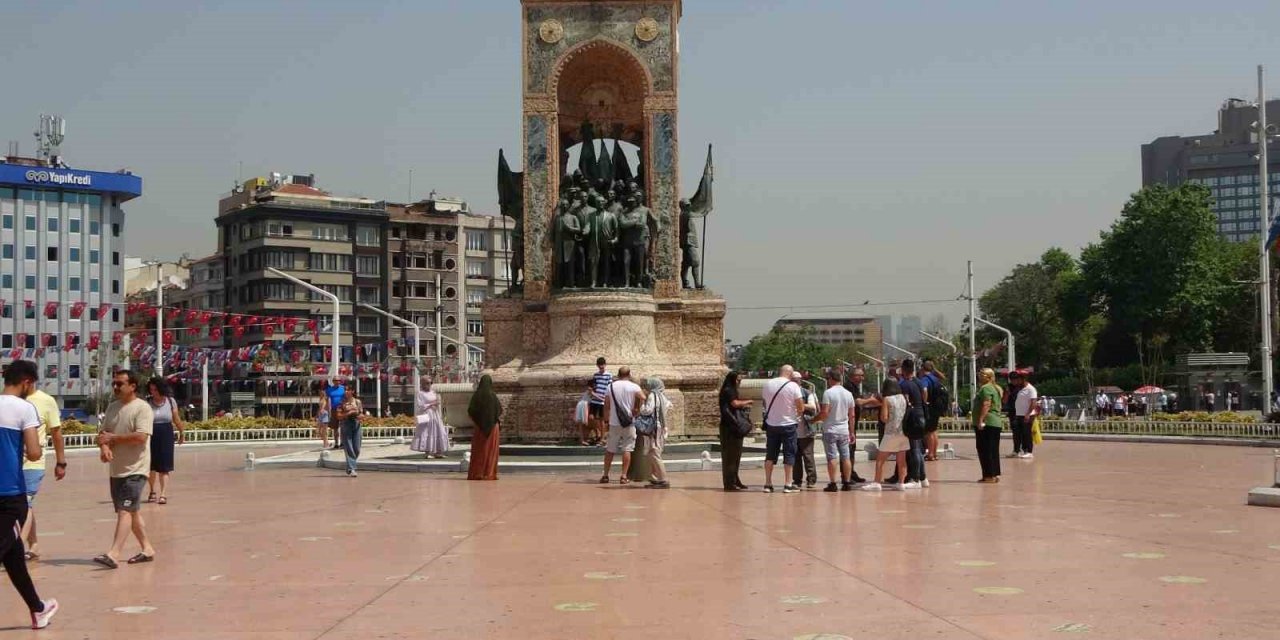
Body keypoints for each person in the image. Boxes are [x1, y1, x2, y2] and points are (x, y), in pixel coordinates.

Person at [0, 361, 59, 628]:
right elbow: (34, 453)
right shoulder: (25, 408)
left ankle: (38, 609)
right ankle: (38, 609)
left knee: (14, 557)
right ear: (26, 382)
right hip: (10, 496)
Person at [93, 369, 157, 569]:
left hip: (136, 469)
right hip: (117, 469)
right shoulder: (112, 407)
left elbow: (141, 437)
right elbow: (103, 434)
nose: (116, 387)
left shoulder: (142, 408)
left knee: (125, 510)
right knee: (131, 512)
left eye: (120, 383)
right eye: (114, 383)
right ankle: (147, 549)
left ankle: (114, 554)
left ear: (132, 386)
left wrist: (113, 438)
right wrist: (104, 447)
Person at [20, 386, 65, 562]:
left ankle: (14, 549)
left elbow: (56, 433)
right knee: (24, 505)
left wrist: (61, 462)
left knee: (25, 503)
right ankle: (34, 545)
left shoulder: (47, 401)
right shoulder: (9, 398)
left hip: (33, 463)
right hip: (10, 462)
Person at [761, 364, 805, 494]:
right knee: (789, 454)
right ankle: (788, 484)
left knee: (770, 454)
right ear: (790, 373)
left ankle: (768, 483)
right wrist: (797, 414)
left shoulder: (768, 384)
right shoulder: (793, 386)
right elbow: (801, 407)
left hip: (772, 424)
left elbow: (765, 403)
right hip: (788, 424)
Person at [862, 378, 908, 491]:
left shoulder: (887, 399)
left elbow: (884, 418)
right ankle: (901, 483)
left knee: (880, 459)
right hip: (903, 432)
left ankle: (877, 482)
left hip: (890, 433)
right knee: (901, 460)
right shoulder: (903, 397)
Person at [600, 367, 644, 485]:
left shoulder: (610, 387)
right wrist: (637, 408)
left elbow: (606, 405)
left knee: (610, 449)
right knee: (627, 449)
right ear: (629, 374)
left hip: (614, 422)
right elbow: (643, 397)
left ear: (618, 374)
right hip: (629, 421)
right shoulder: (634, 387)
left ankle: (605, 475)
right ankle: (623, 476)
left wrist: (606, 420)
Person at [145, 378, 185, 505]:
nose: (153, 392)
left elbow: (176, 418)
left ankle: (163, 494)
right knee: (151, 465)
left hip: (166, 434)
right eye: (151, 390)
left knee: (164, 466)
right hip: (150, 434)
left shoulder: (170, 401)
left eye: (155, 389)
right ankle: (152, 491)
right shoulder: (147, 402)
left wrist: (181, 432)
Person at [817, 369, 856, 492]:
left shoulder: (828, 393)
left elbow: (825, 412)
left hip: (830, 429)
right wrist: (852, 431)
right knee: (846, 457)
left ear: (831, 379)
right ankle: (847, 482)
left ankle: (833, 483)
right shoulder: (848, 394)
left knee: (832, 457)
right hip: (844, 430)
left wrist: (814, 420)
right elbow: (852, 415)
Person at [718, 371, 753, 491]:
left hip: (732, 427)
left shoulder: (729, 390)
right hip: (730, 427)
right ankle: (729, 483)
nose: (739, 382)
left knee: (735, 456)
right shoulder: (729, 390)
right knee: (730, 457)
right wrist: (748, 401)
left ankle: (735, 480)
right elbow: (735, 403)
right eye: (738, 380)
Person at [894, 359, 927, 489]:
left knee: (914, 449)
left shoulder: (904, 384)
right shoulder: (918, 382)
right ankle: (923, 478)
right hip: (921, 415)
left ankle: (915, 478)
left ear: (903, 370)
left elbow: (904, 402)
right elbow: (924, 394)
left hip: (912, 418)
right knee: (918, 448)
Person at [842, 367, 877, 483]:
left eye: (863, 375)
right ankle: (846, 476)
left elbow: (861, 402)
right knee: (848, 450)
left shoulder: (855, 387)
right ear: (853, 376)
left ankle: (851, 473)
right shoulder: (848, 386)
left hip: (852, 424)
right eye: (860, 375)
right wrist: (871, 400)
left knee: (852, 449)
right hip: (847, 424)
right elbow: (857, 402)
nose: (862, 378)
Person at [638, 377, 673, 488]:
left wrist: (642, 403)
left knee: (654, 453)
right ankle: (657, 477)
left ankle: (663, 479)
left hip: (654, 428)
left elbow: (647, 410)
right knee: (654, 452)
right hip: (660, 427)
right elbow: (669, 405)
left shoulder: (653, 396)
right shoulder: (662, 396)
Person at [467, 375, 503, 481]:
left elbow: (471, 411)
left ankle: (478, 473)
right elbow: (499, 411)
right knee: (491, 451)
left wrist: (478, 421)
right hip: (493, 428)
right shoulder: (493, 396)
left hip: (479, 428)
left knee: (479, 451)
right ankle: (489, 473)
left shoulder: (476, 396)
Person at [973, 368, 1004, 483]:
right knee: (992, 449)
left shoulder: (986, 388)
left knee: (984, 449)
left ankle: (989, 475)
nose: (979, 376)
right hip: (994, 422)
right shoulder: (995, 388)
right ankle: (994, 474)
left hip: (988, 422)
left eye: (981, 374)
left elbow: (986, 404)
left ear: (987, 377)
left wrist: (981, 420)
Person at [791, 372, 820, 489]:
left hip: (806, 430)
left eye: (796, 380)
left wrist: (800, 404)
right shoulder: (787, 393)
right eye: (792, 380)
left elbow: (813, 407)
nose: (794, 382)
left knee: (808, 457)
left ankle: (811, 480)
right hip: (792, 431)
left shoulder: (807, 393)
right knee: (795, 458)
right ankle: (797, 480)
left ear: (800, 381)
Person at [411, 377, 449, 458]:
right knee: (427, 432)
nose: (429, 385)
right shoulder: (420, 393)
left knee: (438, 431)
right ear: (423, 384)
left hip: (435, 414)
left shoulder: (433, 392)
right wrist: (431, 404)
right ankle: (428, 452)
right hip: (427, 414)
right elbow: (420, 405)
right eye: (427, 383)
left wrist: (437, 403)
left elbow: (437, 402)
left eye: (430, 383)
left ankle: (438, 452)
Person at [920, 360, 947, 462]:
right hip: (937, 408)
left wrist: (924, 402)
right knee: (934, 431)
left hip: (931, 408)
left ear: (922, 368)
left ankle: (930, 454)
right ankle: (934, 453)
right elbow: (943, 378)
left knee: (929, 432)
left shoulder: (925, 379)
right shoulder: (935, 378)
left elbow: (924, 390)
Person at [336, 388, 363, 477]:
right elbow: (338, 416)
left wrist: (360, 417)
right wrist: (348, 413)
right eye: (345, 390)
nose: (346, 392)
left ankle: (349, 467)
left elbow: (361, 413)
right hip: (346, 424)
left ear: (352, 391)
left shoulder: (358, 402)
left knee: (357, 448)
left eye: (348, 390)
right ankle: (352, 469)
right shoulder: (341, 403)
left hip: (356, 425)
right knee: (349, 448)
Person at [586, 357, 612, 446]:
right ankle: (598, 433)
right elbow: (594, 386)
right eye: (600, 365)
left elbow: (609, 387)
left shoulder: (608, 375)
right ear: (597, 365)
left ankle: (602, 438)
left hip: (602, 401)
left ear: (605, 365)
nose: (601, 367)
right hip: (595, 400)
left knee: (601, 420)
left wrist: (606, 398)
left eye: (603, 365)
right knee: (591, 418)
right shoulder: (596, 375)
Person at [321, 378, 346, 450]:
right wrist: (324, 409)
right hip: (333, 410)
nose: (337, 382)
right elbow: (326, 400)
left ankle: (343, 442)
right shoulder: (329, 390)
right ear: (333, 382)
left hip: (342, 409)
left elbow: (347, 397)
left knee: (343, 427)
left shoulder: (343, 388)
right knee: (335, 428)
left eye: (339, 380)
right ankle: (336, 443)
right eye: (336, 381)